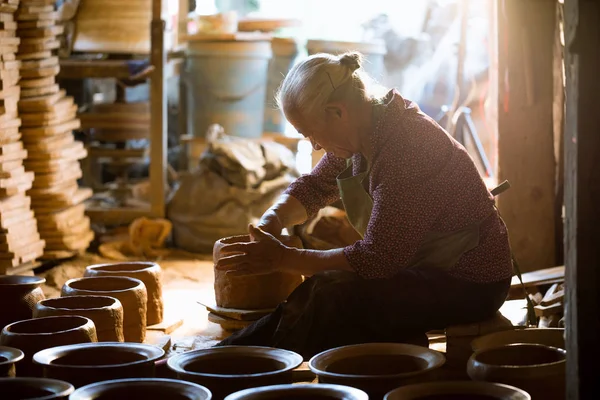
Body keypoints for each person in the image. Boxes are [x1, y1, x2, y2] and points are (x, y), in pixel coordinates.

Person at [215, 51, 513, 359]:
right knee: (323, 290)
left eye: (311, 134)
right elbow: (314, 187)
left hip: (472, 281)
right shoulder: (366, 130)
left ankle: (247, 363)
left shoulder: (406, 146)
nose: (315, 145)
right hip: (426, 269)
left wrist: (283, 258)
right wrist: (272, 221)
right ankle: (233, 356)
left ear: (337, 112)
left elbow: (377, 259)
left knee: (335, 297)